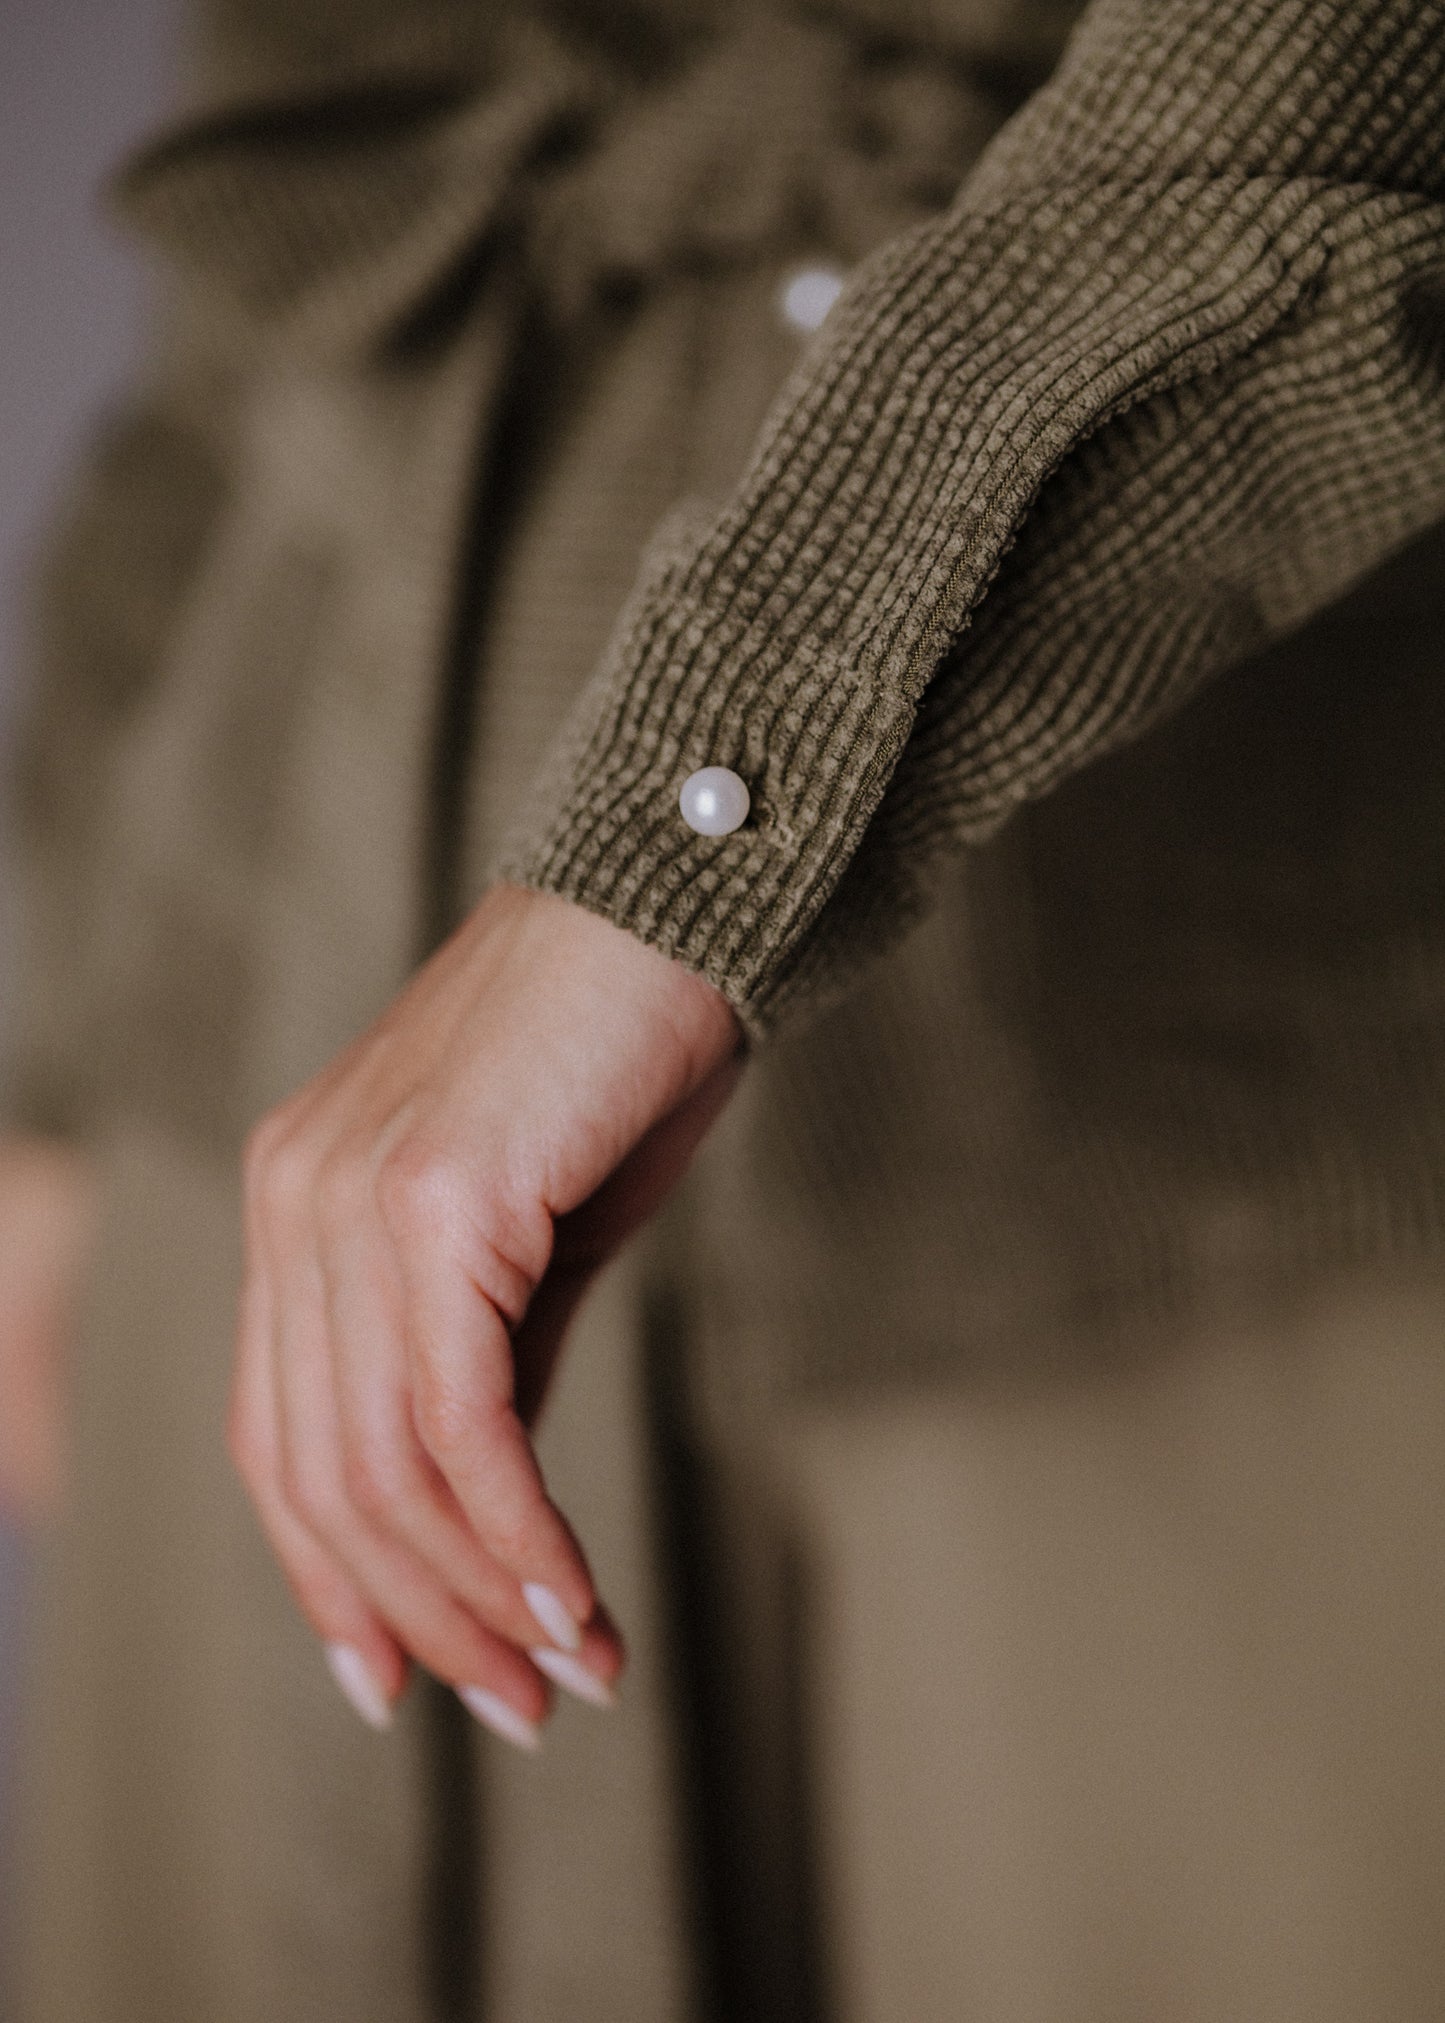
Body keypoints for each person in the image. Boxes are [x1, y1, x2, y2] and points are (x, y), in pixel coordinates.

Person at [6, 0, 1445, 2016]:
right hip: (279, 1063)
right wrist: (53, 1018)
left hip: (1142, 1141)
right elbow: (288, 173)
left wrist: (675, 847)